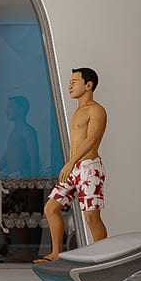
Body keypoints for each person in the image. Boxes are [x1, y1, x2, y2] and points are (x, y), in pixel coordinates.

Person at [36, 67, 107, 262]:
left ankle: (104, 259)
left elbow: (92, 139)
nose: (70, 86)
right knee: (51, 208)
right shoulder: (78, 111)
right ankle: (56, 254)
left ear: (88, 85)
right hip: (74, 168)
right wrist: (71, 164)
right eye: (70, 82)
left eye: (74, 82)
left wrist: (71, 162)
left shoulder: (96, 110)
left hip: (89, 168)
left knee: (91, 216)